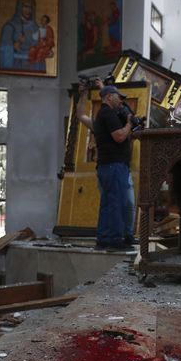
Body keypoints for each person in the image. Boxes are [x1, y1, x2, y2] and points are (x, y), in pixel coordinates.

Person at [77, 79, 136, 247]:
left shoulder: (105, 116)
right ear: (110, 97)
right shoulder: (108, 114)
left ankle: (106, 238)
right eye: (118, 97)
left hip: (111, 166)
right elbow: (119, 136)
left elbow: (81, 115)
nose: (121, 101)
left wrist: (92, 92)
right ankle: (115, 239)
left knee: (113, 203)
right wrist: (129, 125)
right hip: (114, 166)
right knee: (116, 203)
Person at [0, 0, 41, 71]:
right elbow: (3, 53)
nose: (28, 10)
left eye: (31, 7)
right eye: (26, 6)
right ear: (20, 7)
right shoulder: (10, 27)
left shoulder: (36, 28)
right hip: (16, 66)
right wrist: (14, 46)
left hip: (33, 68)